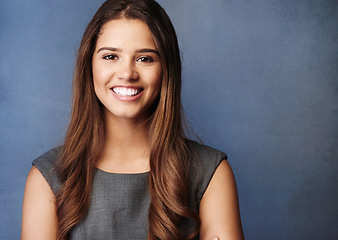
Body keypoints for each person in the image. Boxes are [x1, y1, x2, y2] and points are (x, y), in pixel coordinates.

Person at [21, 0, 244, 239]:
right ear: (89, 65)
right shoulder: (48, 178)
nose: (127, 73)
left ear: (166, 70)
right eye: (110, 56)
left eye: (145, 58)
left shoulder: (209, 174)